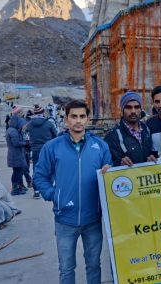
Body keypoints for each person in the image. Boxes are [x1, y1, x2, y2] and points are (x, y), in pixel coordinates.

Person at [34, 100, 112, 284]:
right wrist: (55, 196)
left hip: (93, 218)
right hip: (65, 220)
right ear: (66, 119)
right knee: (67, 268)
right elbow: (39, 177)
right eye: (73, 116)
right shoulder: (52, 147)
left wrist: (109, 173)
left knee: (94, 265)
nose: (78, 120)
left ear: (88, 119)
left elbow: (111, 177)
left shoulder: (100, 146)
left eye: (82, 116)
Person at [104, 91, 154, 166]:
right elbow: (108, 164)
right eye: (128, 107)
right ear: (122, 110)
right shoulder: (112, 136)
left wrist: (152, 158)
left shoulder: (147, 129)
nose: (133, 111)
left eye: (137, 107)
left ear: (141, 109)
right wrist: (120, 164)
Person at [26, 104, 57, 199]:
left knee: (36, 169)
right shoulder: (49, 123)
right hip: (48, 149)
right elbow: (55, 136)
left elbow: (26, 136)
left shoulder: (29, 124)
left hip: (35, 149)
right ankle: (48, 188)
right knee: (50, 168)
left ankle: (36, 190)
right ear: (43, 113)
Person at [6, 109, 29, 195]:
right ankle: (15, 189)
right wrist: (26, 143)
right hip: (16, 154)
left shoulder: (11, 130)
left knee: (17, 171)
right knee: (17, 172)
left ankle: (18, 187)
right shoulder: (13, 131)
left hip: (14, 154)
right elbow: (16, 143)